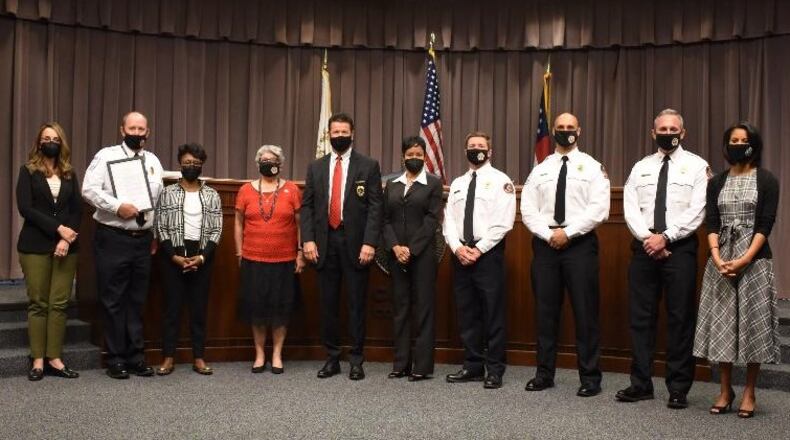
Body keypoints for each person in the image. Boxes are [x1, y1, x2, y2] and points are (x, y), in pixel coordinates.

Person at [617, 108, 709, 408]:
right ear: (652, 133)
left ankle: (678, 387)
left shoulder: (697, 166)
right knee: (641, 319)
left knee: (680, 318)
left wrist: (666, 237)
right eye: (662, 129)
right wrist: (649, 238)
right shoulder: (640, 167)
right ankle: (640, 384)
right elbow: (630, 208)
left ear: (683, 133)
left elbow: (698, 210)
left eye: (673, 129)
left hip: (679, 249)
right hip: (645, 247)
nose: (668, 133)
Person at [693, 122, 780, 418]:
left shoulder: (767, 180)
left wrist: (744, 259)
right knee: (723, 326)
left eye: (744, 140)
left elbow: (765, 224)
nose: (738, 144)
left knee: (753, 326)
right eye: (733, 140)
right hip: (721, 261)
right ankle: (725, 390)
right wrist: (717, 257)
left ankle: (749, 392)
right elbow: (712, 222)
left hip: (754, 261)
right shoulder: (716, 182)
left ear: (753, 145)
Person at [521, 113, 610, 397]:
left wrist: (567, 233)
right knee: (546, 314)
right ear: (554, 131)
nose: (565, 131)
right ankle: (544, 374)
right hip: (545, 246)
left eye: (570, 127)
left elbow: (599, 209)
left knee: (586, 314)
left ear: (579, 130)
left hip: (580, 246)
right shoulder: (541, 169)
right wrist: (549, 235)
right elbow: (528, 209)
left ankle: (590, 377)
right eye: (560, 128)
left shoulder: (592, 167)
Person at [301, 113, 383, 381]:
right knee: (328, 304)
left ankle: (356, 360)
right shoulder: (316, 167)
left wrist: (370, 242)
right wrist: (308, 239)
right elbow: (307, 206)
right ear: (329, 134)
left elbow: (375, 207)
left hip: (357, 244)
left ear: (353, 133)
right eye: (334, 132)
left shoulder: (368, 166)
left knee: (356, 304)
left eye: (343, 131)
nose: (339, 136)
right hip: (324, 243)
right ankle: (332, 358)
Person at [82, 111, 164, 379]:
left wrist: (154, 234)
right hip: (113, 238)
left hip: (142, 241)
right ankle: (115, 358)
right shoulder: (106, 156)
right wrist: (118, 207)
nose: (137, 133)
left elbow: (158, 201)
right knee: (113, 300)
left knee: (137, 300)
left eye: (142, 129)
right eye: (132, 128)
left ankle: (136, 357)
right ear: (122, 129)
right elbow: (89, 190)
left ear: (148, 132)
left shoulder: (153, 161)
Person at [443, 131, 516, 389]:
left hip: (488, 256)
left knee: (493, 313)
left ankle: (494, 369)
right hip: (461, 254)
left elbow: (503, 222)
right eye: (472, 146)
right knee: (467, 312)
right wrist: (456, 248)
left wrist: (479, 249)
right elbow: (449, 221)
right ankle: (473, 365)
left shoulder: (501, 181)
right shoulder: (458, 183)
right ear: (465, 152)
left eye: (481, 146)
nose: (476, 149)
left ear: (490, 151)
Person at [16, 122, 81, 381]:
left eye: (55, 138)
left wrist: (66, 238)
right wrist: (59, 230)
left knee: (59, 303)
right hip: (34, 245)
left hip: (67, 247)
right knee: (39, 303)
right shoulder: (28, 171)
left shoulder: (69, 173)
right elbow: (26, 208)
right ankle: (38, 360)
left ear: (61, 142)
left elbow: (77, 209)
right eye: (46, 138)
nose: (50, 141)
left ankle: (55, 358)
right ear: (39, 142)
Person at [235, 145, 305, 374]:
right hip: (253, 259)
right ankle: (259, 354)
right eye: (264, 159)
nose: (268, 162)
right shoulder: (245, 190)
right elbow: (238, 223)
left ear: (280, 163)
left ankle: (276, 354)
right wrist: (239, 253)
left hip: (284, 260)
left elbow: (299, 224)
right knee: (257, 310)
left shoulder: (292, 190)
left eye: (272, 159)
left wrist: (300, 252)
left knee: (280, 310)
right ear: (258, 164)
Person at [154, 143, 222, 376]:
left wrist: (202, 257)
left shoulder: (212, 194)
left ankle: (199, 358)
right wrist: (174, 256)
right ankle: (168, 357)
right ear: (179, 165)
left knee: (199, 310)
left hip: (202, 256)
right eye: (187, 163)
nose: (191, 166)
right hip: (172, 255)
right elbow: (160, 226)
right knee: (171, 309)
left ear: (202, 165)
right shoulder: (167, 192)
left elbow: (217, 229)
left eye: (195, 163)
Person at [382, 136, 443, 381]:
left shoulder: (433, 183)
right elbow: (384, 220)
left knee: (424, 309)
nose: (414, 158)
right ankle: (401, 364)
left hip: (423, 255)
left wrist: (411, 249)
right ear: (403, 157)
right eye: (410, 155)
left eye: (419, 155)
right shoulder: (392, 185)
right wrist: (396, 247)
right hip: (396, 255)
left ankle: (422, 366)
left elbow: (431, 220)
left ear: (425, 157)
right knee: (401, 308)